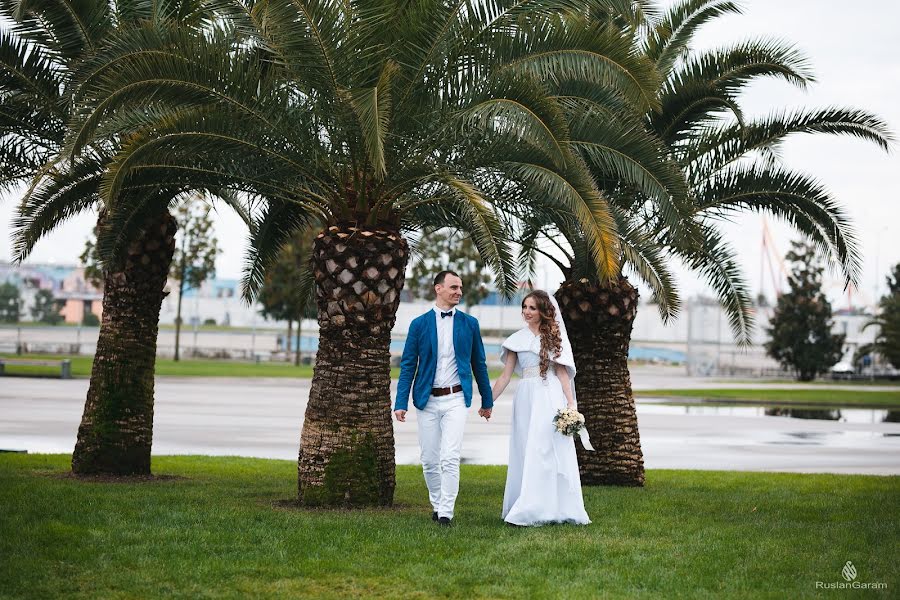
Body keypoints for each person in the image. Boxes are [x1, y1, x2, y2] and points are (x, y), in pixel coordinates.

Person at [394, 270, 493, 526]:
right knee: (428, 459)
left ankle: (446, 512)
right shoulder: (419, 324)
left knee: (449, 457)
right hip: (427, 400)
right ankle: (437, 504)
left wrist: (487, 400)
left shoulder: (469, 324)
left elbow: (478, 364)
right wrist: (400, 402)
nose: (459, 292)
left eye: (460, 288)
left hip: (456, 399)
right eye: (453, 287)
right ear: (438, 289)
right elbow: (408, 365)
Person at [491, 290, 591, 527]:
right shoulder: (516, 339)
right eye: (524, 307)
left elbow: (563, 374)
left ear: (543, 311)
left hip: (550, 396)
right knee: (527, 448)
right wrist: (489, 401)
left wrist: (571, 405)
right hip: (526, 397)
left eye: (532, 308)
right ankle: (527, 503)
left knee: (547, 449)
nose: (526, 311)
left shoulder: (555, 339)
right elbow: (505, 377)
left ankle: (553, 506)